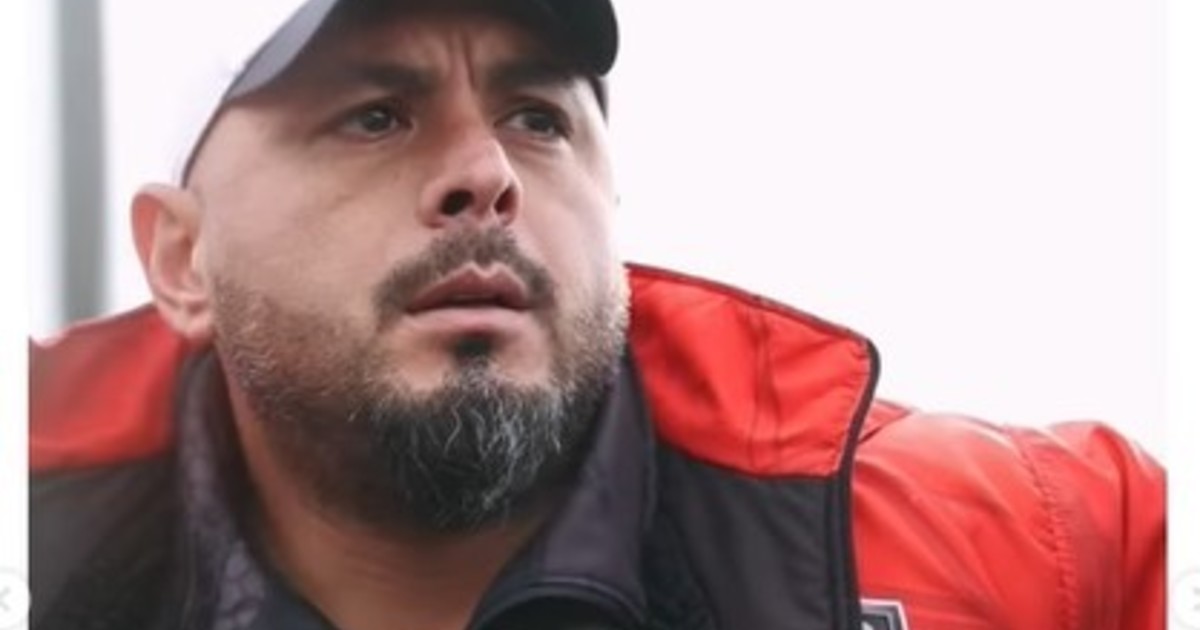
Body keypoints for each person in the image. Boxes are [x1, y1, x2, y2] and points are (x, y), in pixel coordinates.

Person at [28, 0, 1165, 628]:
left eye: (537, 117)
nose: (485, 175)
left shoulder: (1038, 546)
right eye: (377, 116)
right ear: (182, 258)